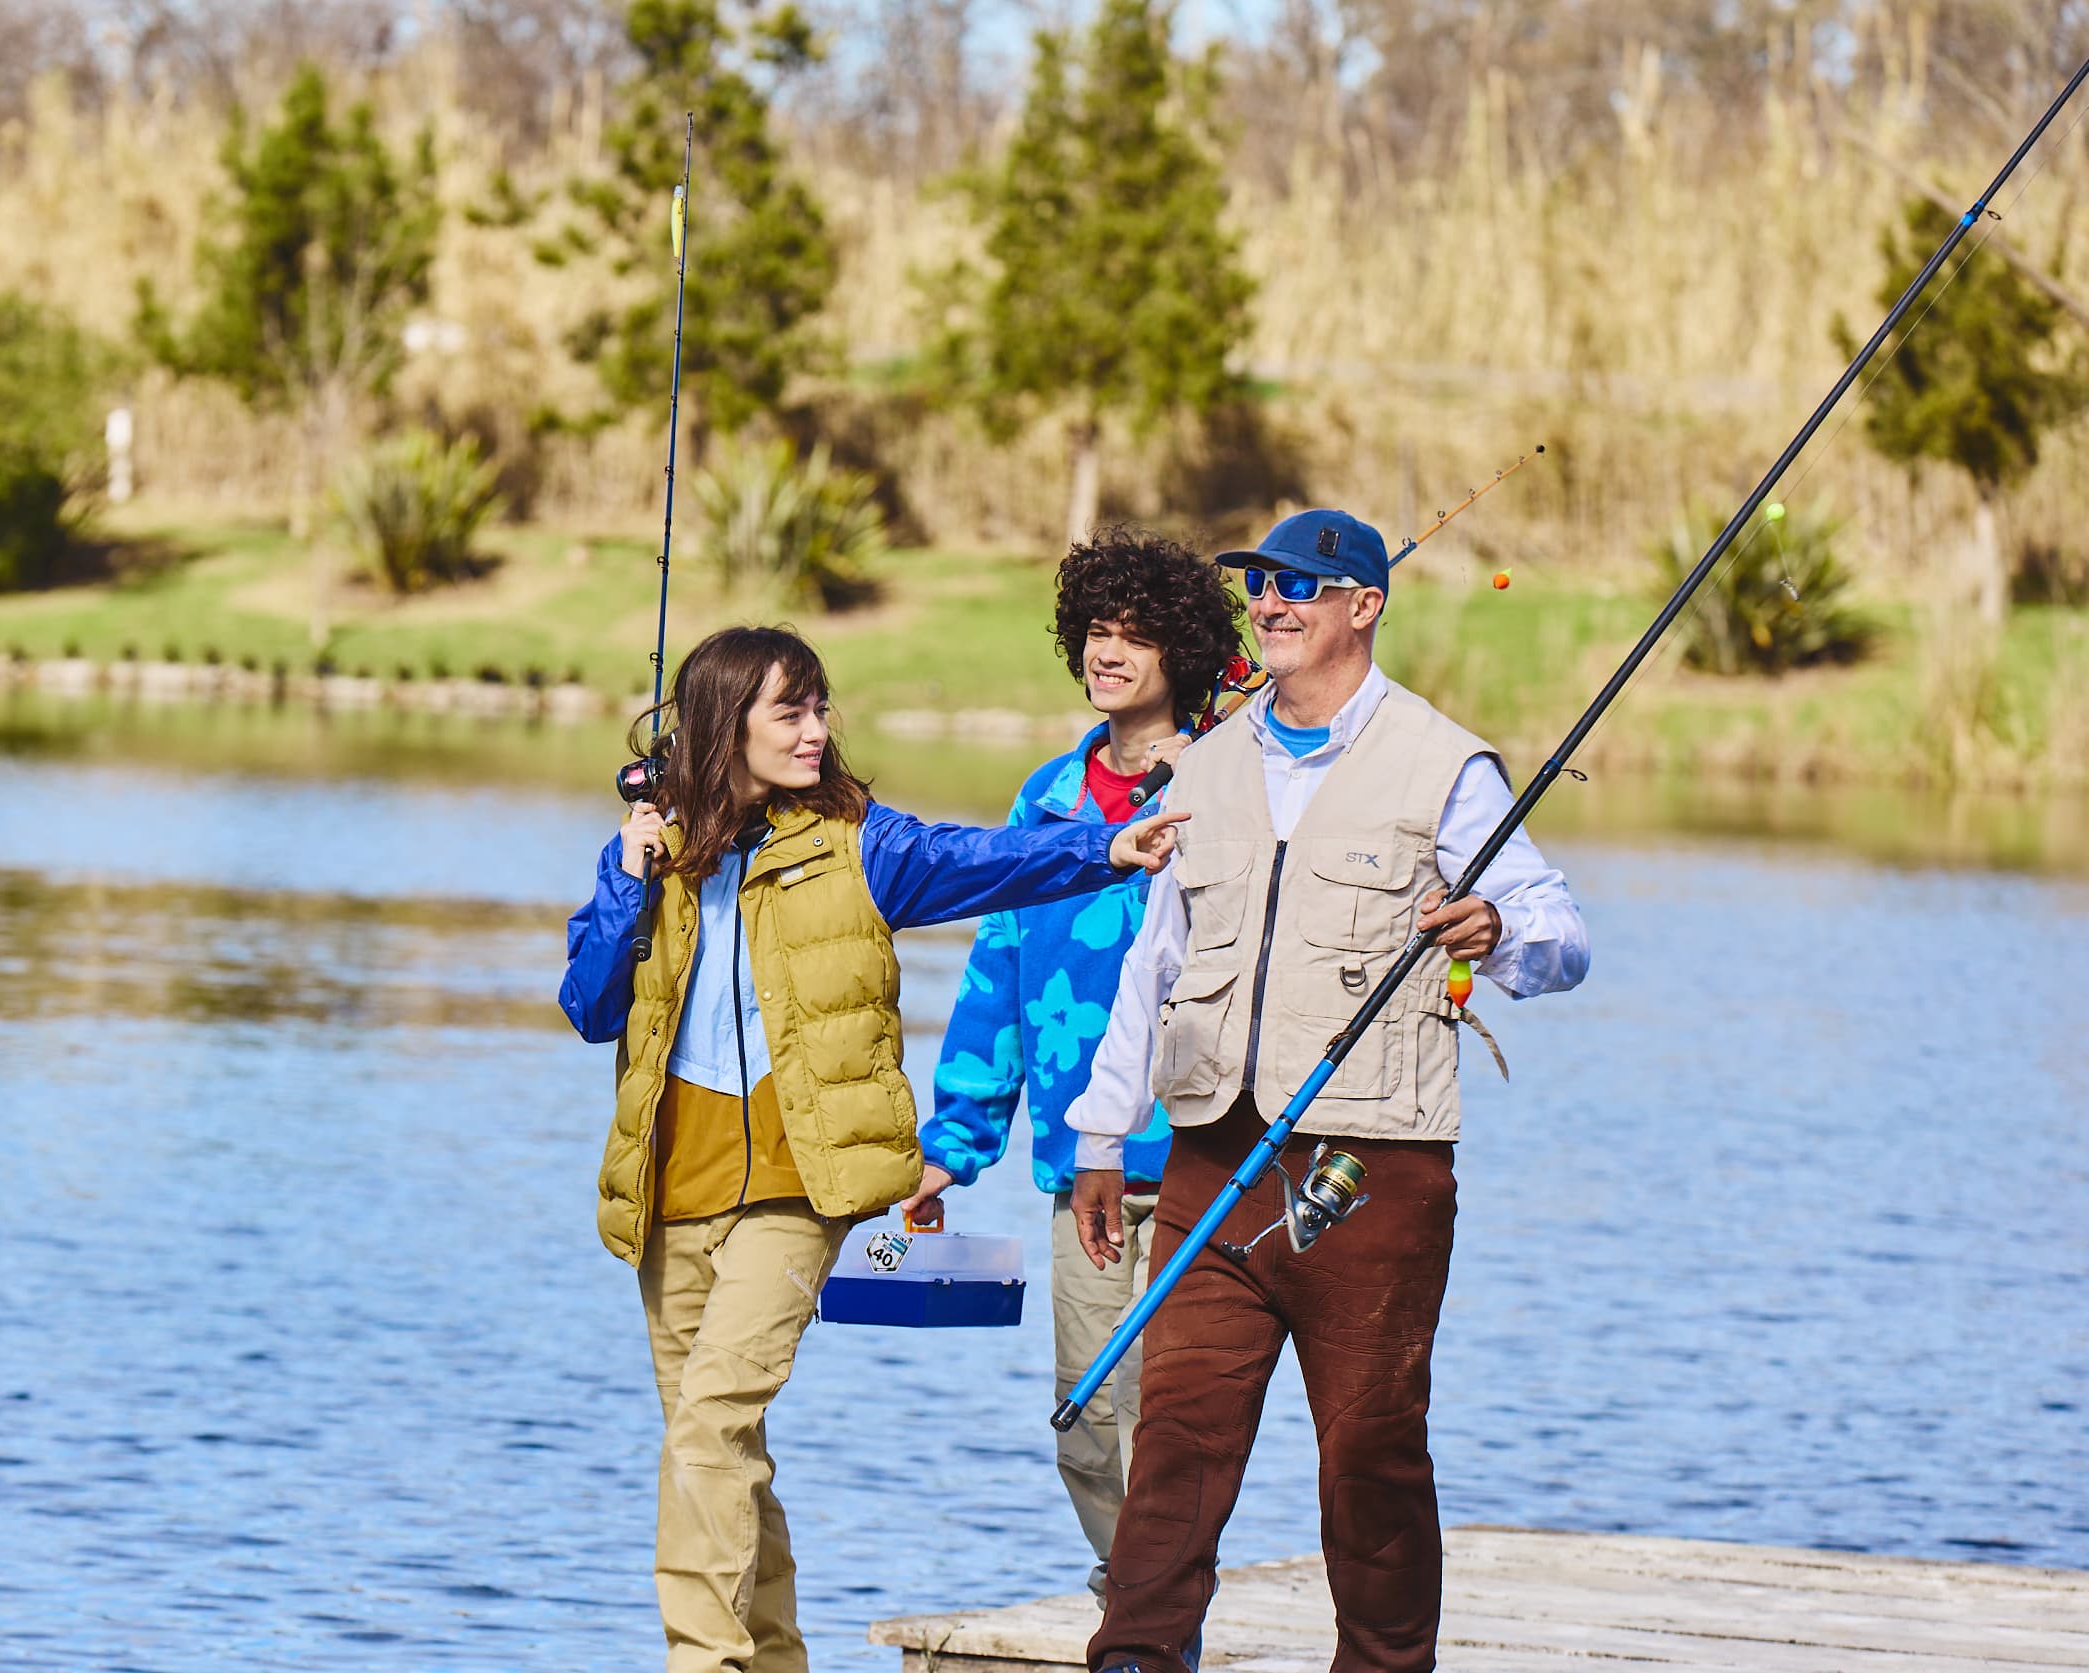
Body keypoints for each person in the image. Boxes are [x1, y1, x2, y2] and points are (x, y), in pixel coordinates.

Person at [559, 624, 1186, 1673]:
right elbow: (589, 1007)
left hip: (800, 1181)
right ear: (723, 727)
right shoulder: (652, 850)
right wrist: (629, 877)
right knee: (718, 1449)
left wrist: (1103, 847)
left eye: (819, 707)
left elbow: (978, 860)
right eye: (790, 711)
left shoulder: (858, 841)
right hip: (673, 1184)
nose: (817, 728)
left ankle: (701, 1661)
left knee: (712, 1424)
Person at [1062, 511, 1591, 1673]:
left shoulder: (1444, 763)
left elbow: (1561, 934)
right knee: (1178, 1430)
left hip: (1374, 1171)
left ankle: (1386, 1660)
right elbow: (1153, 966)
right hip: (1212, 1159)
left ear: (1365, 605)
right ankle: (1136, 1654)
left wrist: (1496, 926)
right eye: (1260, 583)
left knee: (1371, 1450)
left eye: (1301, 584)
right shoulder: (1202, 764)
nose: (1271, 602)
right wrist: (1101, 1135)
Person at [896, 528, 1245, 1601]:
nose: (1109, 652)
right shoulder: (1046, 797)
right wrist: (954, 1145)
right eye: (1097, 630)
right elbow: (995, 972)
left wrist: (1217, 767)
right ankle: (1136, 1594)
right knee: (1088, 1410)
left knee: (1171, 1409)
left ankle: (1151, 1611)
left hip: (1205, 1150)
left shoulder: (1233, 777)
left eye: (1137, 635)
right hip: (1080, 1165)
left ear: (1183, 653)